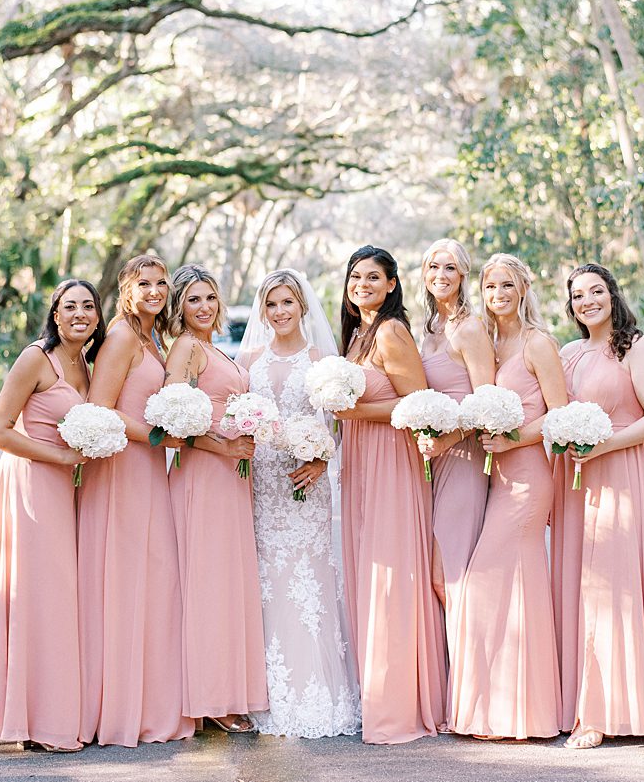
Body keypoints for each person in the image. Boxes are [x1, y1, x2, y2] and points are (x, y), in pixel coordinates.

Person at [553, 263, 644, 749]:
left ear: (611, 295)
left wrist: (607, 445)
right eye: (577, 295)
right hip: (575, 480)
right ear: (570, 305)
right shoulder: (568, 354)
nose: (587, 301)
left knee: (615, 588)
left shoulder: (634, 347)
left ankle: (609, 711)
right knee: (579, 585)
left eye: (595, 291)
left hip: (622, 474)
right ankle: (581, 704)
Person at [0, 279, 102, 752]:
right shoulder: (36, 359)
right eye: (70, 307)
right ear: (55, 313)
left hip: (68, 488)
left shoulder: (84, 363)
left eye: (88, 306)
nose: (80, 314)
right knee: (43, 597)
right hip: (32, 484)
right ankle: (40, 723)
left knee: (62, 598)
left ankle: (53, 709)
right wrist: (61, 457)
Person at [237, 269, 360, 738]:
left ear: (303, 307)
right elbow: (239, 417)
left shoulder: (322, 359)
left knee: (309, 580)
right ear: (263, 311)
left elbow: (338, 421)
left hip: (307, 484)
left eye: (288, 302)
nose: (281, 311)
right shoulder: (248, 360)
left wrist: (320, 457)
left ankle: (320, 694)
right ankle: (265, 692)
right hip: (264, 484)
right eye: (272, 304)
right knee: (268, 580)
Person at [77, 255, 194, 746]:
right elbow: (101, 408)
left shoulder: (155, 338)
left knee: (156, 583)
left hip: (150, 470)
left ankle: (149, 701)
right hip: (124, 470)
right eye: (144, 282)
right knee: (126, 584)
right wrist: (156, 437)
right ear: (126, 289)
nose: (154, 290)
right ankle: (119, 709)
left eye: (161, 283)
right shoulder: (124, 336)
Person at [446, 253, 563, 740]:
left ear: (523, 288)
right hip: (500, 476)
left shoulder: (539, 344)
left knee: (486, 583)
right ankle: (513, 709)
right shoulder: (492, 343)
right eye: (490, 286)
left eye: (506, 285)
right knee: (514, 584)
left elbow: (559, 413)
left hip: (530, 475)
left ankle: (514, 710)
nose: (497, 294)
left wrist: (514, 439)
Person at [335, 245, 446, 743]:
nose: (363, 284)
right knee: (368, 571)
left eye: (373, 277)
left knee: (391, 576)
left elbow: (417, 403)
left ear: (392, 284)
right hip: (361, 461)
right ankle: (374, 693)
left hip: (390, 461)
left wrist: (355, 414)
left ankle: (398, 707)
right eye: (356, 276)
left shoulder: (391, 330)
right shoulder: (357, 332)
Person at [162, 264, 266, 734]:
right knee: (209, 583)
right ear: (179, 307)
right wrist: (224, 446)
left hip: (231, 476)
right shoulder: (185, 347)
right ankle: (211, 697)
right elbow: (174, 422)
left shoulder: (212, 348)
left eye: (209, 298)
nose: (203, 307)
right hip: (204, 475)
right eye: (193, 300)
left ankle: (226, 687)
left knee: (227, 581)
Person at [415, 239, 495, 631]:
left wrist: (448, 439)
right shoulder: (428, 328)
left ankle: (469, 678)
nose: (440, 276)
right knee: (436, 575)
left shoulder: (470, 328)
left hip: (464, 459)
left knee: (449, 573)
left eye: (449, 268)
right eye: (433, 267)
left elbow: (487, 402)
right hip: (432, 459)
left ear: (463, 274)